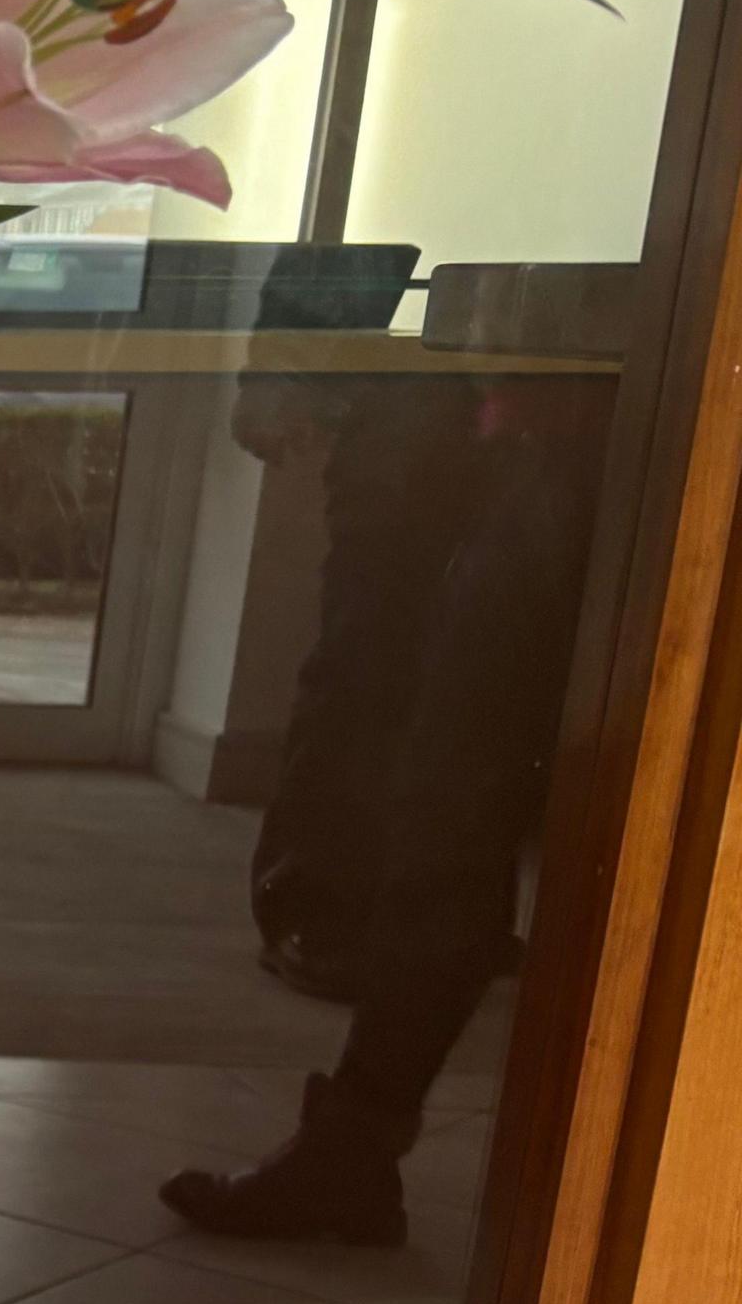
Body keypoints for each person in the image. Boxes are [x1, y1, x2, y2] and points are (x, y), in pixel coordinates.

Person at [161, 374, 605, 1245]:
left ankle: (357, 1139)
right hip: (555, 426)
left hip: (568, 431)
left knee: (453, 783)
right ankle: (358, 1137)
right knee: (449, 780)